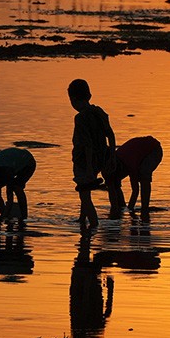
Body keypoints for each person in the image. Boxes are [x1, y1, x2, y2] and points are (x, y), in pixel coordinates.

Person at [68, 79, 116, 228]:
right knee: (86, 191)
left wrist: (88, 168)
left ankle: (93, 226)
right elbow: (111, 134)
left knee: (84, 193)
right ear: (89, 95)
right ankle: (82, 219)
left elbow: (86, 144)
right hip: (99, 159)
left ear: (73, 99)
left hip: (85, 161)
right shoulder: (99, 112)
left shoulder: (81, 118)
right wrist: (112, 156)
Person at [111, 136, 163, 217]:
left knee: (144, 177)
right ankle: (122, 206)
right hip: (140, 152)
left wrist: (129, 209)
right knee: (115, 182)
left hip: (154, 150)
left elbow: (135, 191)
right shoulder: (116, 161)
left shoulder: (130, 164)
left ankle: (145, 208)